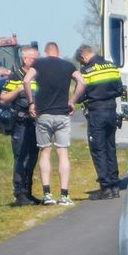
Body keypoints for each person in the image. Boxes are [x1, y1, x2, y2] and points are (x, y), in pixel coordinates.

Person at [22, 42, 87, 206]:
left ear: (46, 52)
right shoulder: (67, 65)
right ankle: (64, 195)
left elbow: (26, 80)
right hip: (62, 114)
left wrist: (31, 103)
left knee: (45, 152)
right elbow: (82, 82)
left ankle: (47, 194)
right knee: (62, 153)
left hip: (43, 114)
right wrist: (72, 101)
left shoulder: (39, 63)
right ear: (58, 52)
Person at [75, 44, 126, 199]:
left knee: (99, 150)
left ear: (83, 57)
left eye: (81, 61)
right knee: (111, 148)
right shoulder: (111, 67)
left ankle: (106, 188)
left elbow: (81, 95)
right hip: (112, 111)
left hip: (97, 112)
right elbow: (119, 89)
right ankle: (115, 186)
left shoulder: (85, 71)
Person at [0, 45, 42, 206]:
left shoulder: (38, 76)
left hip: (35, 122)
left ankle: (28, 193)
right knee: (21, 158)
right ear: (26, 59)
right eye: (34, 59)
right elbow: (3, 98)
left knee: (32, 158)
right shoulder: (15, 76)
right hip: (21, 123)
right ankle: (19, 194)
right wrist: (18, 89)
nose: (37, 62)